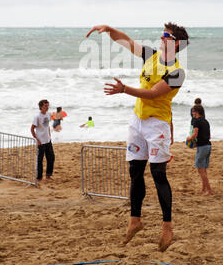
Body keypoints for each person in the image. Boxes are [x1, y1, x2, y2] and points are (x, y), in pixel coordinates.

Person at [86, 22, 189, 252]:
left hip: (157, 124)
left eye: (166, 36)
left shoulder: (177, 72)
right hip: (137, 121)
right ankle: (135, 220)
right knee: (135, 172)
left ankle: (167, 226)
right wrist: (110, 29)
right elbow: (127, 42)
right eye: (162, 34)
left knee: (158, 174)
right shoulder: (152, 56)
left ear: (176, 43)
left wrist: (124, 90)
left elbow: (153, 95)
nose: (161, 38)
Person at [187, 104, 213, 195]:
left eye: (193, 111)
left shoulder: (196, 121)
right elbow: (209, 136)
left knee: (200, 170)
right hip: (208, 146)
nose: (192, 113)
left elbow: (195, 134)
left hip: (202, 147)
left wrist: (188, 138)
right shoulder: (206, 121)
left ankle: (209, 190)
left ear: (197, 112)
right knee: (204, 170)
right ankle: (203, 189)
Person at [31, 99, 55, 182]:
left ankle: (48, 175)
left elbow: (47, 126)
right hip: (41, 142)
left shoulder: (48, 114)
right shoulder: (37, 117)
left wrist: (49, 135)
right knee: (40, 160)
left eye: (48, 105)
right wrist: (37, 139)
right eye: (45, 106)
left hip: (48, 140)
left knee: (51, 158)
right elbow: (32, 129)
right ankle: (39, 178)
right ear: (41, 107)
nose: (47, 107)